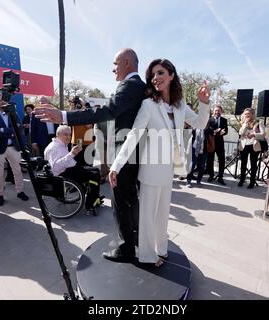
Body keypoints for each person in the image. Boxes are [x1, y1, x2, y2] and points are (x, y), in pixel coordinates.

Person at [35, 48, 146, 263]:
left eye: (115, 64)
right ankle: (135, 238)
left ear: (127, 63)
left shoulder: (130, 85)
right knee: (130, 198)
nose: (112, 69)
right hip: (133, 151)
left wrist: (64, 115)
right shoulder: (139, 86)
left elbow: (106, 112)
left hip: (126, 153)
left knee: (121, 201)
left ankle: (126, 249)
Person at [109, 58, 211, 266]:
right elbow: (134, 135)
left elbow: (200, 123)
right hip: (150, 170)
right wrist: (116, 165)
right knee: (147, 217)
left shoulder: (180, 105)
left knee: (163, 214)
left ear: (171, 75)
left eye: (160, 73)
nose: (155, 78)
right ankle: (147, 255)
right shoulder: (149, 105)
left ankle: (161, 250)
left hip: (169, 169)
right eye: (153, 75)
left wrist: (204, 103)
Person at [44, 125, 104, 211]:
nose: (68, 137)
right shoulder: (55, 147)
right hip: (64, 173)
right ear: (58, 135)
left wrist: (74, 154)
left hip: (69, 168)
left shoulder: (60, 144)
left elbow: (65, 160)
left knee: (96, 170)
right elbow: (56, 167)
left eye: (69, 134)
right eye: (65, 134)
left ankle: (95, 197)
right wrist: (72, 154)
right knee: (94, 175)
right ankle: (91, 203)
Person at [0, 93, 29, 206]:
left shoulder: (12, 114)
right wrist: (9, 131)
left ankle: (20, 191)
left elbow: (19, 128)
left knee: (17, 171)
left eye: (4, 99)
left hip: (14, 147)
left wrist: (3, 130)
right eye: (0, 100)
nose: (3, 101)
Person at [238, 108, 266, 189]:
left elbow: (263, 134)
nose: (246, 115)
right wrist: (245, 124)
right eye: (245, 114)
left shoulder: (259, 122)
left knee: (253, 164)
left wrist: (254, 135)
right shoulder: (243, 123)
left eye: (248, 113)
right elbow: (241, 133)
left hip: (254, 145)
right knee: (243, 163)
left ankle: (252, 181)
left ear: (253, 114)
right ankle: (242, 179)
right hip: (244, 145)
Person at [206, 105, 228, 185]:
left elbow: (226, 131)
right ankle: (211, 176)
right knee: (210, 160)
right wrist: (215, 131)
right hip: (211, 143)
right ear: (213, 111)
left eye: (218, 110)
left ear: (221, 111)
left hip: (220, 144)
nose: (217, 112)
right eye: (216, 110)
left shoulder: (224, 120)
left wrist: (223, 132)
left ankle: (220, 177)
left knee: (222, 160)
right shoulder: (209, 120)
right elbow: (207, 130)